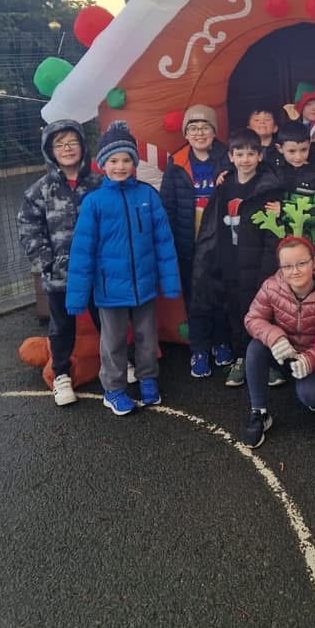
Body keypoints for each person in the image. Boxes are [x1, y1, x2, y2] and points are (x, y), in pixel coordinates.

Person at [66, 121, 180, 415]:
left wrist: (169, 283)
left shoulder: (148, 196)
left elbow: (163, 242)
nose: (120, 166)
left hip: (144, 284)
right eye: (114, 161)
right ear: (103, 164)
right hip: (109, 288)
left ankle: (148, 379)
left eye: (126, 160)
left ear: (134, 163)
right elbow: (82, 252)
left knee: (147, 337)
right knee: (113, 341)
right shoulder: (94, 202)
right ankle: (114, 389)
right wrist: (77, 297)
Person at [17, 119, 101, 407]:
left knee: (108, 320)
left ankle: (118, 363)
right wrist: (46, 261)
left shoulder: (99, 184)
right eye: (60, 144)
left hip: (97, 272)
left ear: (83, 146)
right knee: (62, 326)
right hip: (60, 275)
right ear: (50, 151)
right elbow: (28, 227)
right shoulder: (40, 190)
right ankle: (61, 374)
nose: (67, 148)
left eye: (72, 142)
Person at [190, 128, 281, 388]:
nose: (245, 159)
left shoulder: (267, 188)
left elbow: (272, 232)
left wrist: (268, 266)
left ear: (260, 156)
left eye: (251, 154)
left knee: (262, 313)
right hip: (229, 260)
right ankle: (241, 358)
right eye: (239, 154)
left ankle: (267, 362)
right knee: (235, 311)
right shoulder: (225, 186)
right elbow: (213, 226)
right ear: (230, 156)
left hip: (257, 263)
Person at [242, 237, 315, 448]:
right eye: (287, 266)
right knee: (256, 347)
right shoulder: (271, 286)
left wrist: (312, 359)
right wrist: (274, 337)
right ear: (280, 267)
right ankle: (259, 412)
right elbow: (252, 318)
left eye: (301, 263)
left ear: (313, 262)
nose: (295, 271)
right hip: (283, 351)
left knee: (311, 396)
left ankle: (310, 386)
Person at [160, 104, 232, 378]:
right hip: (188, 243)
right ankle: (199, 348)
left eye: (205, 127)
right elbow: (168, 205)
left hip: (221, 240)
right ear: (186, 133)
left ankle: (221, 341)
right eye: (193, 128)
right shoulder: (176, 163)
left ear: (214, 132)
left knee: (222, 294)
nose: (199, 133)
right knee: (195, 299)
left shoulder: (228, 158)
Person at [264, 121, 315, 244]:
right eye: (292, 151)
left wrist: (285, 211)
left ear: (309, 144)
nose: (298, 157)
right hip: (277, 238)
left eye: (303, 150)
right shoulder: (271, 167)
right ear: (279, 148)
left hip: (312, 240)